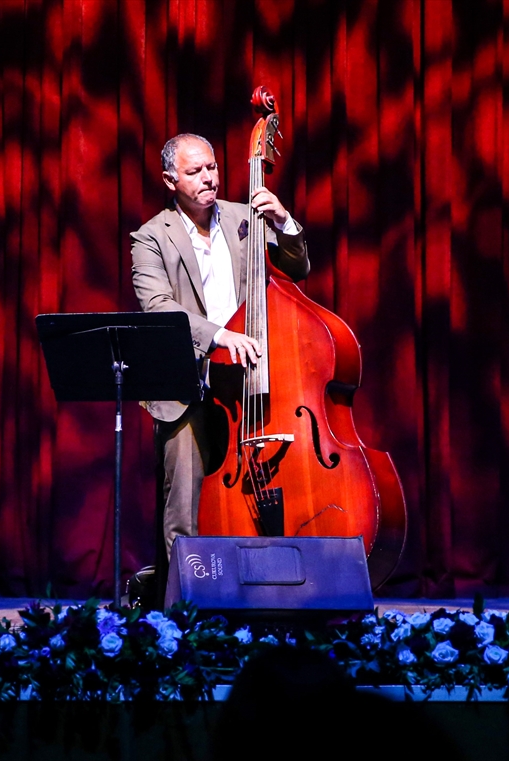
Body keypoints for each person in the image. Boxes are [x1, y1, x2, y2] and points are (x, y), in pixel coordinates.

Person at [130, 133, 309, 567]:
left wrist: (285, 223)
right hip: (187, 385)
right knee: (184, 503)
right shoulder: (150, 237)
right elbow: (158, 308)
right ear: (171, 180)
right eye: (195, 172)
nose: (209, 178)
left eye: (212, 167)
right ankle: (185, 597)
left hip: (249, 377)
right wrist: (217, 335)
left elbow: (296, 268)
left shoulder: (245, 216)